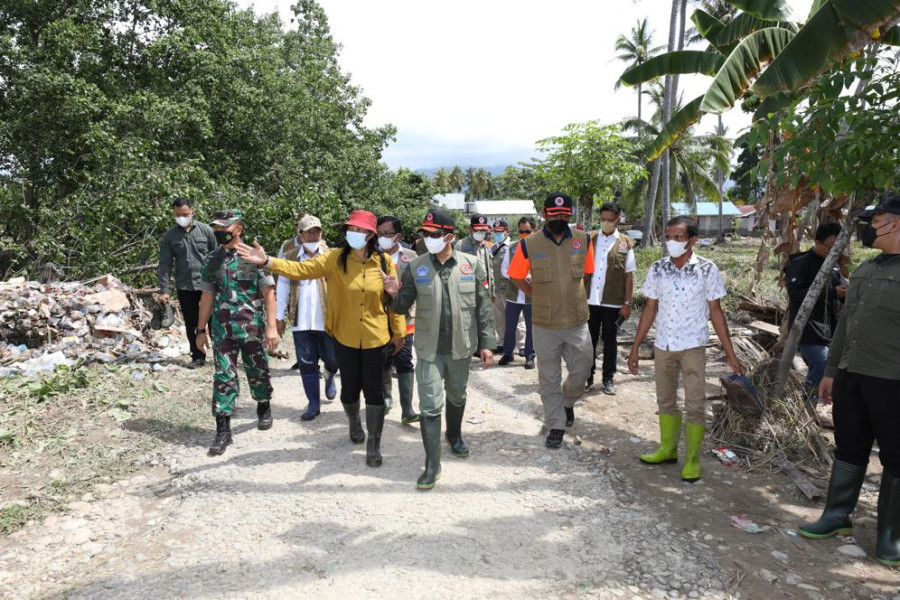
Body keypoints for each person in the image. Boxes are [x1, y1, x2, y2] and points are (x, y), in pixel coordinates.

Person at [236, 210, 405, 468]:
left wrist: (398, 332)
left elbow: (393, 300)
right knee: (349, 392)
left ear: (371, 235)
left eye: (360, 231)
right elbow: (300, 269)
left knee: (374, 392)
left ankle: (374, 444)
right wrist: (268, 261)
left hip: (376, 339)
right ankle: (353, 421)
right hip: (345, 338)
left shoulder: (383, 263)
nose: (354, 234)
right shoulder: (334, 259)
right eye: (351, 229)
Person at [799, 194, 900, 566]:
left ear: (897, 223)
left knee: (895, 455)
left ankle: (890, 535)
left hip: (892, 380)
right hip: (851, 376)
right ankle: (836, 516)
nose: (870, 228)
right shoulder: (865, 270)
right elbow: (845, 325)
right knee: (850, 447)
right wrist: (829, 371)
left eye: (877, 221)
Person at [383, 209, 496, 490]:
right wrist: (392, 293)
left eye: (434, 234)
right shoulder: (416, 266)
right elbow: (400, 307)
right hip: (429, 350)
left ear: (450, 236)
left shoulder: (471, 265)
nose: (428, 238)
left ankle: (454, 436)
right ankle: (432, 464)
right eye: (425, 234)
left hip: (460, 349)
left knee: (457, 396)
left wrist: (487, 345)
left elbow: (484, 308)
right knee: (431, 406)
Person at [627, 215, 742, 483]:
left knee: (695, 405)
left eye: (678, 237)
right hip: (664, 344)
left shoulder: (706, 268)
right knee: (665, 401)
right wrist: (635, 348)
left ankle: (692, 459)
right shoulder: (658, 268)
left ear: (693, 240)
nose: (672, 242)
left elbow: (716, 312)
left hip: (693, 345)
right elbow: (649, 309)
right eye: (668, 236)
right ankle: (667, 450)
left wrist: (731, 353)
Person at [508, 193, 596, 448]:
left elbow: (587, 273)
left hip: (577, 321)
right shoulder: (529, 244)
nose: (559, 217)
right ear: (545, 214)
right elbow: (515, 276)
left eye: (564, 214)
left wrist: (574, 294)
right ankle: (555, 424)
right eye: (554, 213)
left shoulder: (583, 239)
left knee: (582, 371)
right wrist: (537, 295)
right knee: (548, 377)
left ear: (570, 214)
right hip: (545, 324)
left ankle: (567, 402)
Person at [195, 209, 279, 455]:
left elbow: (268, 293)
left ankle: (263, 404)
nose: (220, 232)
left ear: (238, 229)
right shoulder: (212, 259)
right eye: (217, 229)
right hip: (222, 329)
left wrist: (272, 328)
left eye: (225, 228)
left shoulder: (253, 257)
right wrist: (200, 331)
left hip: (251, 326)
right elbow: (207, 296)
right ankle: (223, 430)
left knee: (258, 370)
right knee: (224, 376)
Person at [275, 214, 338, 421]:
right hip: (301, 321)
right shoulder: (290, 256)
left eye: (317, 231)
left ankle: (330, 374)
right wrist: (279, 316)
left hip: (328, 320)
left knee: (333, 358)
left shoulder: (333, 256)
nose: (313, 235)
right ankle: (313, 403)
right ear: (300, 235)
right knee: (306, 363)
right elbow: (283, 286)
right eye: (308, 232)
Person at [784, 222, 845, 399]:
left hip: (831, 327)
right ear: (817, 242)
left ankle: (815, 402)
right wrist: (832, 292)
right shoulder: (800, 264)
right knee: (824, 363)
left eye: (838, 248)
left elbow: (841, 289)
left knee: (824, 367)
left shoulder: (833, 264)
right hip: (808, 328)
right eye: (830, 247)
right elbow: (795, 293)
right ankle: (807, 402)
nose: (833, 251)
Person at [157, 197, 218, 369]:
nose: (182, 217)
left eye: (185, 214)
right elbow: (165, 264)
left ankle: (221, 355)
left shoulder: (207, 231)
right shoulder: (170, 236)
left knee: (214, 320)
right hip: (185, 285)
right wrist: (164, 290)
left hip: (209, 284)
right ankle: (198, 356)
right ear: (173, 214)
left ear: (192, 212)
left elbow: (219, 257)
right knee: (191, 322)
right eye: (178, 215)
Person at [586, 202, 636, 395]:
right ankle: (587, 376)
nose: (605, 223)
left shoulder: (625, 243)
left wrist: (627, 303)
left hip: (613, 302)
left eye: (609, 220)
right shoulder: (589, 239)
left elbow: (628, 275)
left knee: (610, 340)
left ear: (618, 219)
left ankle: (608, 378)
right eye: (602, 219)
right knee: (587, 341)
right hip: (589, 300)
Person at [376, 215, 420, 424]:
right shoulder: (372, 256)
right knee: (383, 360)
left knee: (404, 360)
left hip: (405, 317)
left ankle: (408, 408)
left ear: (398, 236)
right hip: (379, 319)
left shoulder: (411, 257)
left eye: (388, 234)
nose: (383, 238)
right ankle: (386, 399)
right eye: (380, 234)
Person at [499, 217, 536, 370]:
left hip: (532, 295)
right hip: (513, 294)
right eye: (521, 231)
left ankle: (529, 355)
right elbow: (504, 270)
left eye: (527, 231)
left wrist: (532, 278)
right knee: (510, 325)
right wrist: (519, 276)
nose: (523, 234)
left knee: (531, 326)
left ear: (534, 229)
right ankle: (508, 353)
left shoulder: (541, 247)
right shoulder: (512, 247)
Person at [490, 219, 512, 353]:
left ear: (507, 231)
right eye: (495, 232)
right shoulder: (493, 247)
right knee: (499, 318)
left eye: (500, 232)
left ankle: (521, 345)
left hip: (510, 289)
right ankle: (502, 343)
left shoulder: (512, 246)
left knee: (516, 318)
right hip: (496, 289)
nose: (497, 234)